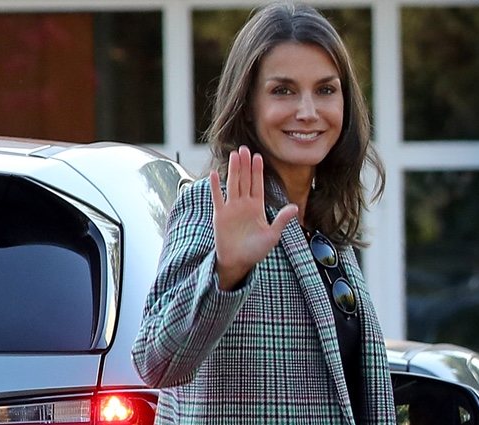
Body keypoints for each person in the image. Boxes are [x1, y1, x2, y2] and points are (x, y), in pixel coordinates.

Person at [131, 2, 396, 424]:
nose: (308, 111)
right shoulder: (212, 203)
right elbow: (155, 362)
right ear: (247, 105)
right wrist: (224, 270)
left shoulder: (323, 226)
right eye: (283, 91)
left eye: (326, 90)